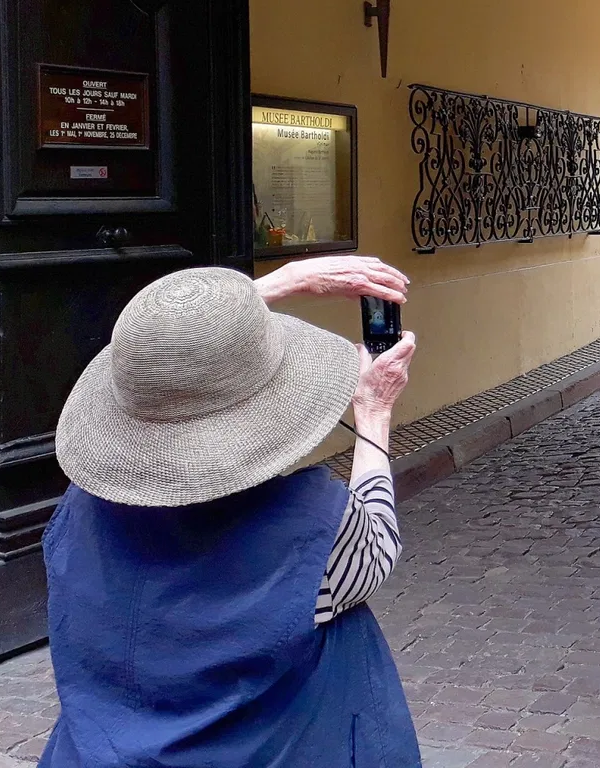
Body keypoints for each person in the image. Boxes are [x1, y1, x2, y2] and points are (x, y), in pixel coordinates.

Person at [37, 256, 422, 767]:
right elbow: (377, 542)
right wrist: (374, 412)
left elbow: (160, 361)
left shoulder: (78, 512)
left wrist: (276, 285)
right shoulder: (316, 532)